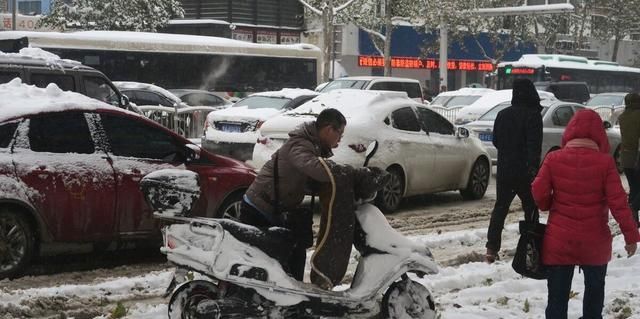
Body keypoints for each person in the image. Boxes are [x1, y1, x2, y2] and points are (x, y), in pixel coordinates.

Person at [531, 109, 639, 319]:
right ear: (600, 135)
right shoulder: (605, 163)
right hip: (595, 241)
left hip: (560, 240)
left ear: (570, 131)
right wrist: (631, 235)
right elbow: (619, 203)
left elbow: (538, 191)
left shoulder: (554, 158)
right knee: (595, 293)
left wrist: (548, 204)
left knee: (557, 299)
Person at [240, 108, 346, 281]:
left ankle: (289, 297)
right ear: (328, 129)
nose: (340, 139)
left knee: (294, 253)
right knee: (265, 263)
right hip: (258, 209)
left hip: (274, 209)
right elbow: (314, 168)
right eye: (339, 134)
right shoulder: (301, 145)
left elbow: (305, 179)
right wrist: (344, 173)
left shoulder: (312, 145)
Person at [485, 78, 543, 263]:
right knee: (531, 209)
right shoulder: (533, 115)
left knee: (500, 208)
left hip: (504, 170)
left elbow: (496, 141)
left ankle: (491, 249)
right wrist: (533, 170)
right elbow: (535, 146)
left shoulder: (503, 114)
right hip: (525, 172)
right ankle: (531, 247)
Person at [618, 92, 640, 227]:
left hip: (626, 157)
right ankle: (634, 207)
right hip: (638, 156)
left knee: (634, 187)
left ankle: (633, 220)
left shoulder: (622, 116)